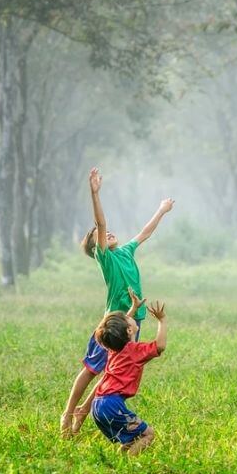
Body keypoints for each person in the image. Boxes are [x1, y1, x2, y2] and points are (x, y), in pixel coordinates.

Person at [61, 167, 173, 436]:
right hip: (113, 323)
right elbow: (100, 223)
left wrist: (161, 210)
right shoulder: (106, 258)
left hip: (134, 320)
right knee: (91, 369)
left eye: (108, 232)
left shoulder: (125, 251)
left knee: (114, 370)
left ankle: (84, 413)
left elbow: (145, 232)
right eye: (99, 235)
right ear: (95, 246)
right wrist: (95, 193)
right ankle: (68, 414)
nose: (107, 232)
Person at [90, 292, 167, 455]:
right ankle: (128, 466)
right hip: (111, 405)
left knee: (132, 437)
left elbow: (118, 329)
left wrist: (133, 308)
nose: (128, 316)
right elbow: (160, 346)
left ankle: (120, 460)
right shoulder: (135, 351)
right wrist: (162, 320)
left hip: (97, 404)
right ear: (130, 330)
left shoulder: (113, 348)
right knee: (148, 434)